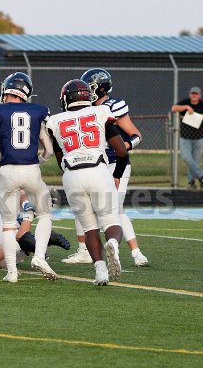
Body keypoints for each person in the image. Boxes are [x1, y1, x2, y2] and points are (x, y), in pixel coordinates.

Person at [0, 71, 58, 283]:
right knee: (45, 214)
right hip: (31, 170)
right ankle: (39, 256)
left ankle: (12, 272)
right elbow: (49, 150)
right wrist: (41, 159)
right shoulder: (39, 111)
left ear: (6, 90)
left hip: (7, 172)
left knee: (8, 225)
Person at [44, 79, 128, 285]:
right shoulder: (100, 112)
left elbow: (59, 158)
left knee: (89, 227)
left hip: (72, 175)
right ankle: (112, 243)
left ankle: (100, 271)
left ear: (66, 99)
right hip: (98, 170)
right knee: (111, 221)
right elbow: (121, 151)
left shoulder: (55, 121)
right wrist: (117, 174)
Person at [63, 68, 149, 267]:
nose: (86, 92)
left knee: (114, 207)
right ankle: (84, 251)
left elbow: (136, 135)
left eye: (90, 87)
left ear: (101, 88)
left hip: (116, 164)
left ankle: (136, 252)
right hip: (94, 165)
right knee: (82, 206)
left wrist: (123, 146)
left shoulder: (113, 106)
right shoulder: (84, 108)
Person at [171, 86, 203, 188]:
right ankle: (201, 174)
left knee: (195, 161)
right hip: (185, 136)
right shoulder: (185, 102)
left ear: (199, 95)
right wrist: (186, 107)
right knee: (186, 158)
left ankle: (191, 182)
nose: (194, 95)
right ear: (190, 95)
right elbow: (174, 108)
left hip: (198, 137)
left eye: (196, 94)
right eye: (192, 94)